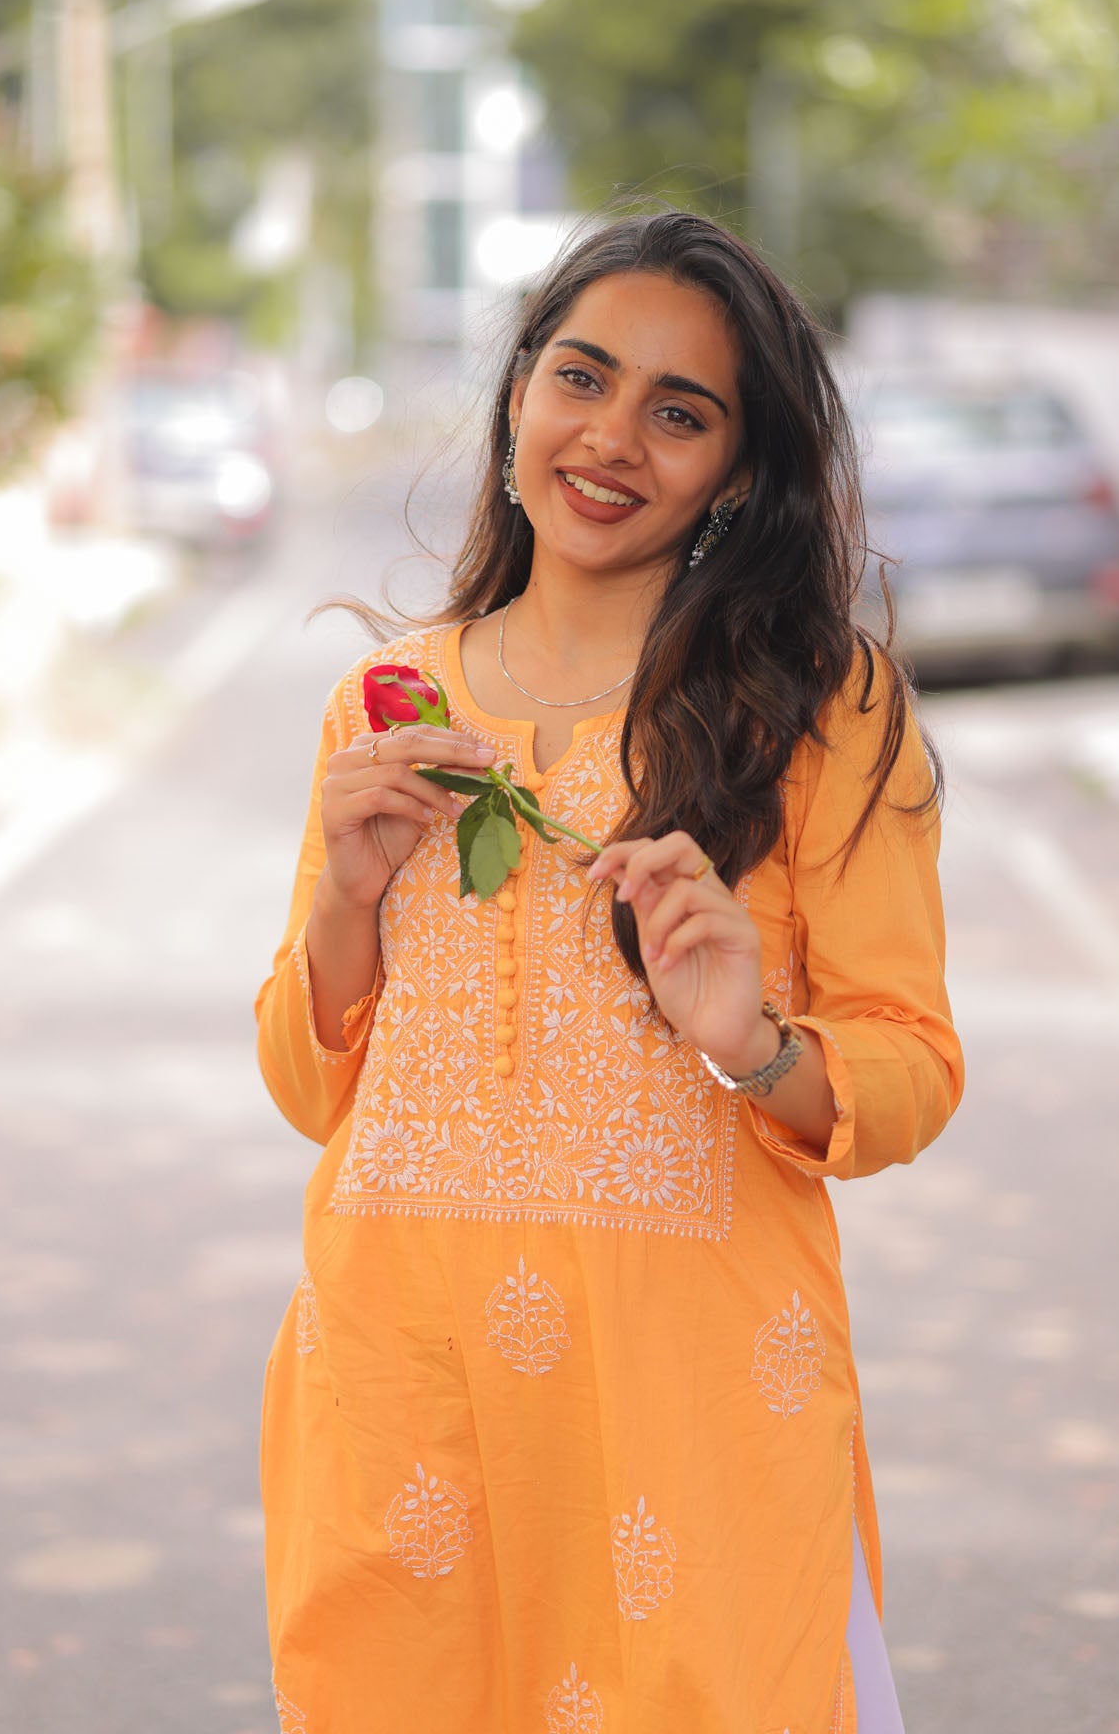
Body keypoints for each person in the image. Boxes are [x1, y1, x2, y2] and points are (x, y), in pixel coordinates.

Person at [254, 205, 964, 1734]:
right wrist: (346, 906)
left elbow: (906, 1066)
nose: (609, 438)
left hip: (689, 1417)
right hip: (405, 1395)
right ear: (518, 390)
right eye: (580, 378)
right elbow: (311, 1088)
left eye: (679, 412)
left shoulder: (821, 713)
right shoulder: (384, 700)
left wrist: (749, 1042)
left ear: (740, 468)